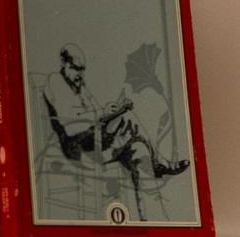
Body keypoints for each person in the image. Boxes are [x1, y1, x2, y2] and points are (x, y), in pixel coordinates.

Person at [43, 44, 188, 178]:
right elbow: (71, 128)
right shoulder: (56, 81)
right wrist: (103, 113)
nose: (80, 74)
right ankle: (158, 163)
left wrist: (113, 110)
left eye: (82, 70)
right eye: (75, 68)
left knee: (127, 117)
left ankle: (156, 162)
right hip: (76, 147)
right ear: (63, 63)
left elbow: (94, 110)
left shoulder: (78, 83)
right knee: (129, 123)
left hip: (92, 136)